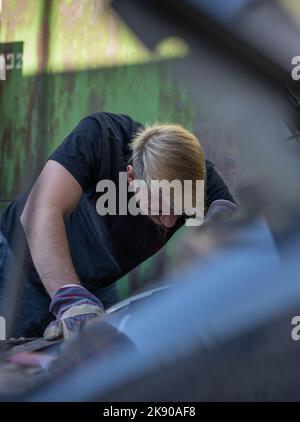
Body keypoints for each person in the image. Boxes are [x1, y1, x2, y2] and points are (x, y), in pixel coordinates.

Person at [0, 112, 234, 340]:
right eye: (160, 209)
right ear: (131, 177)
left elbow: (235, 245)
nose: (170, 222)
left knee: (110, 360)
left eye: (180, 211)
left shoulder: (200, 179)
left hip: (95, 284)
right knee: (22, 365)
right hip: (22, 265)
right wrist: (70, 298)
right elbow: (38, 212)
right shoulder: (100, 136)